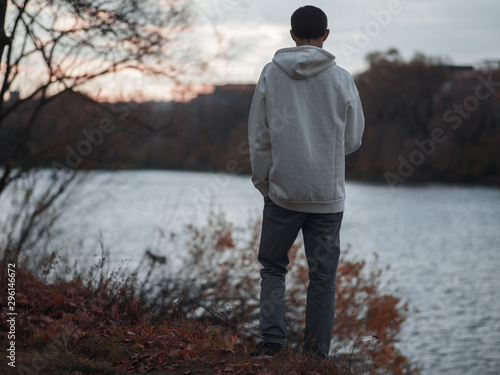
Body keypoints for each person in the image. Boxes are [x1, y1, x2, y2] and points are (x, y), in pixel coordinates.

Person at [247, 5, 365, 359]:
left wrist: (263, 182)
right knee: (323, 278)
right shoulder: (342, 78)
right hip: (328, 197)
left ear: (292, 33)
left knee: (272, 267)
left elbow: (259, 137)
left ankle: (271, 345)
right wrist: (327, 153)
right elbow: (354, 138)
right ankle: (314, 358)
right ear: (325, 35)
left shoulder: (271, 74)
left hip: (282, 192)